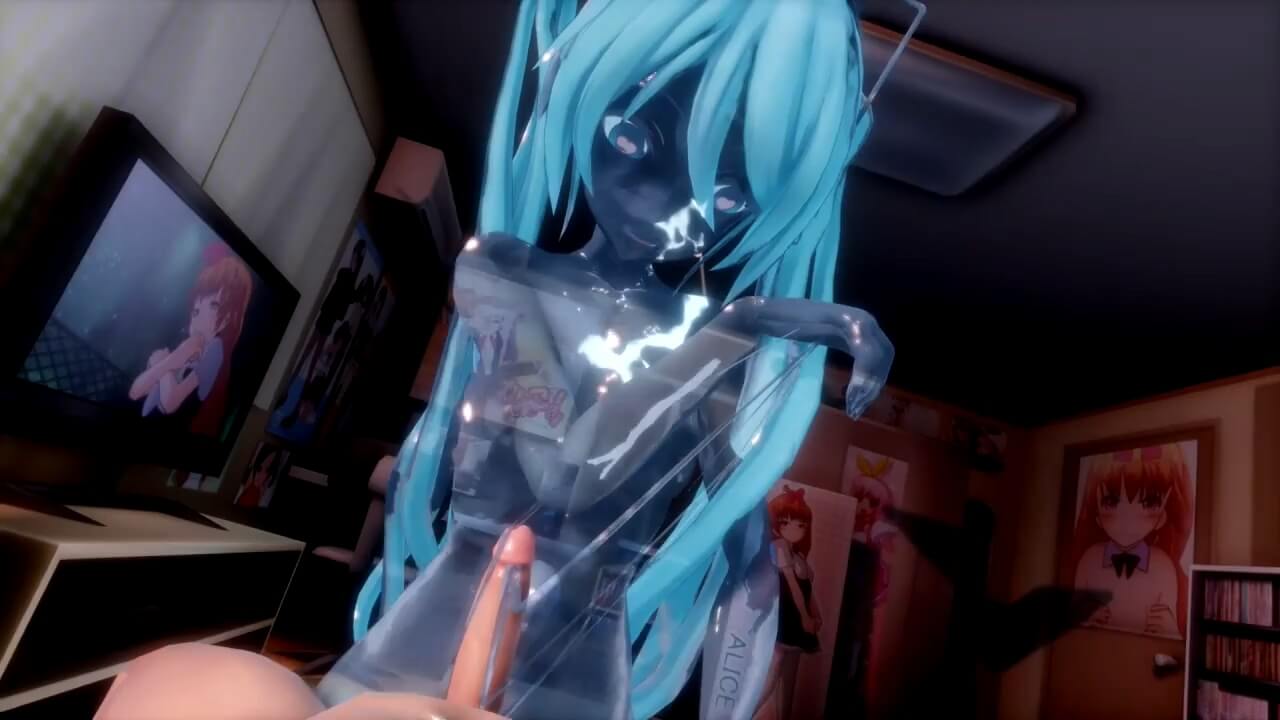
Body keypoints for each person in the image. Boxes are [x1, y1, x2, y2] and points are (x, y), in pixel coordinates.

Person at [97, 0, 907, 717]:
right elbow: (567, 473)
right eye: (633, 134)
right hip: (437, 634)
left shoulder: (715, 353)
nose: (671, 207)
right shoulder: (506, 274)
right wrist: (746, 326)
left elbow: (744, 556)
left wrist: (735, 684)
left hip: (586, 678)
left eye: (727, 194)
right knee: (194, 689)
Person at [1071, 444, 1192, 637]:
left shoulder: (1164, 567)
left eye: (1149, 503)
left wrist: (1169, 629)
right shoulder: (1088, 561)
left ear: (1162, 517)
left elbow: (1172, 633)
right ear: (1096, 513)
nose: (1127, 520)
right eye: (1111, 501)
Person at [129, 248, 253, 436]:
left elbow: (170, 403)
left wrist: (167, 364)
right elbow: (136, 391)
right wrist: (170, 362)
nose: (199, 319)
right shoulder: (190, 347)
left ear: (230, 316)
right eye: (196, 311)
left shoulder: (215, 350)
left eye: (214, 306)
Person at [753, 486, 822, 720]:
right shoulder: (779, 547)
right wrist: (805, 616)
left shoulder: (799, 555)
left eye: (800, 525)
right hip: (784, 615)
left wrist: (815, 613)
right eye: (786, 523)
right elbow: (793, 587)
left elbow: (807, 589)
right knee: (774, 666)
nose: (793, 529)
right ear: (776, 524)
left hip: (794, 615)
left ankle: (758, 713)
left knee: (778, 668)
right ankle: (746, 713)